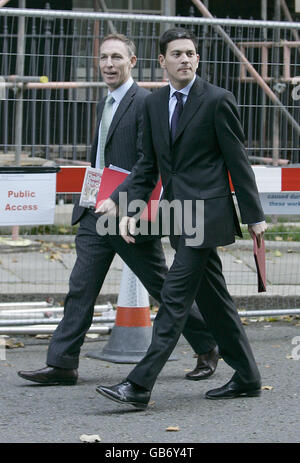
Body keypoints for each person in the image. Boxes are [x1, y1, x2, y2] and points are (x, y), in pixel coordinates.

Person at [17, 33, 218, 386]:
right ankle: (62, 363)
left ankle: (207, 344)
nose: (109, 64)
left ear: (133, 62)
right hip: (96, 212)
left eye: (117, 58)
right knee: (80, 286)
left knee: (161, 286)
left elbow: (148, 162)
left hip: (128, 214)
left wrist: (125, 203)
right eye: (104, 58)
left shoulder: (145, 103)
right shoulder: (105, 101)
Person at [96, 28, 267, 409]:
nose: (185, 59)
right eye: (177, 54)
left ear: (197, 60)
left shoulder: (218, 100)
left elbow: (238, 161)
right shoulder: (154, 104)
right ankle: (248, 376)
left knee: (173, 298)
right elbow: (147, 167)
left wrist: (254, 216)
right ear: (162, 61)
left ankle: (139, 385)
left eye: (191, 53)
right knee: (216, 301)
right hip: (179, 215)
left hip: (208, 215)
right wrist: (119, 200)